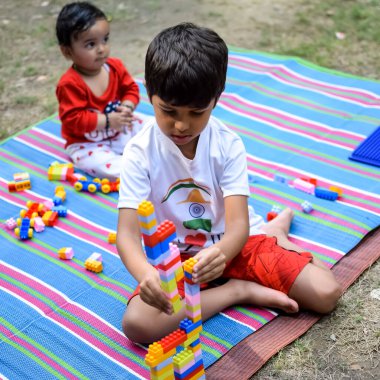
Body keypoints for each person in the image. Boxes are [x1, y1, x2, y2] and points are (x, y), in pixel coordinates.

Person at [116, 23, 342, 343]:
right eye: (168, 110)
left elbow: (237, 227)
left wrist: (222, 252)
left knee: (327, 293)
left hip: (239, 246)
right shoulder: (139, 152)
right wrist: (145, 274)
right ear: (149, 95)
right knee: (138, 325)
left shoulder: (227, 144)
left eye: (196, 112)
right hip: (179, 259)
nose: (181, 124)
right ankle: (238, 291)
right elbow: (126, 236)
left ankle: (276, 234)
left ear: (216, 99)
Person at [55, 2, 141, 180]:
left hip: (121, 129)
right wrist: (108, 120)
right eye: (90, 44)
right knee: (103, 166)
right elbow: (72, 119)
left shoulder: (114, 67)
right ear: (67, 51)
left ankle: (155, 153)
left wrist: (127, 106)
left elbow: (131, 88)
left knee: (155, 126)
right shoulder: (70, 84)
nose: (102, 49)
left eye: (105, 40)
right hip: (87, 144)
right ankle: (136, 168)